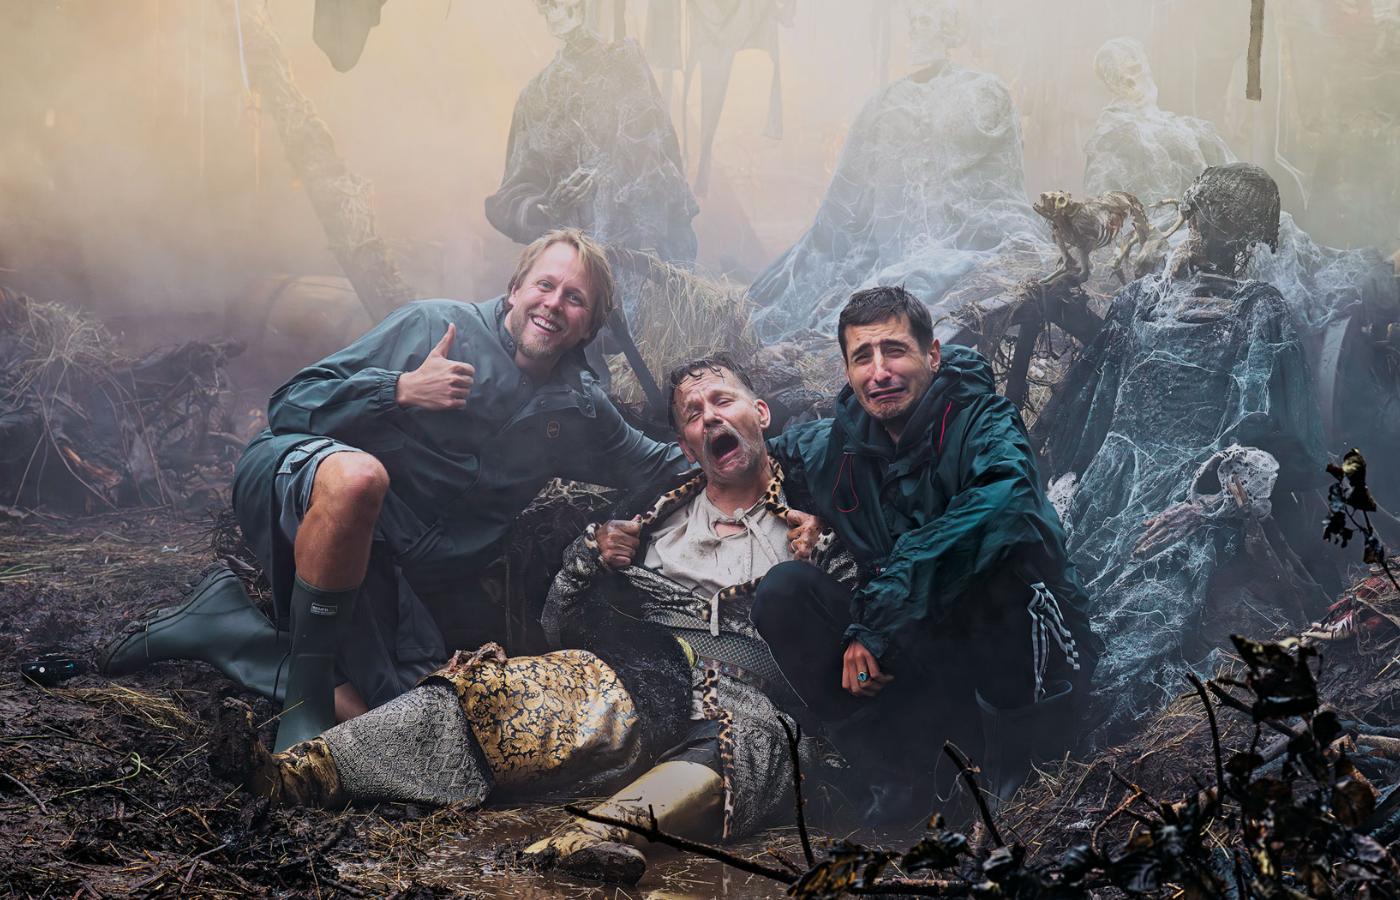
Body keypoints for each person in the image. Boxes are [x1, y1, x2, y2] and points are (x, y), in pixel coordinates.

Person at [208, 356, 839, 886]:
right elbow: (558, 625)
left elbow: (857, 640)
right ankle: (296, 774)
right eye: (694, 414)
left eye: (723, 401)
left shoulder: (819, 522)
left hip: (758, 702)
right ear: (684, 446)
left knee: (752, 748)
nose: (710, 417)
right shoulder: (652, 521)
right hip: (651, 675)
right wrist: (590, 557)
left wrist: (822, 564)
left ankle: (579, 846)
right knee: (498, 692)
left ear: (760, 414)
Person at [101, 228, 687, 751]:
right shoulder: (434, 326)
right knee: (361, 479)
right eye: (545, 285)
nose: (554, 304)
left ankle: (225, 626)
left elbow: (659, 462)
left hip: (396, 567)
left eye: (575, 298)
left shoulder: (581, 410)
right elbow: (290, 404)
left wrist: (732, 431)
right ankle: (304, 704)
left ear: (590, 326)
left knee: (406, 725)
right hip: (300, 482)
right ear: (515, 289)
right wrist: (399, 389)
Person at [758, 285, 1097, 814]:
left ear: (932, 355)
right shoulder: (834, 448)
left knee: (990, 562)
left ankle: (1015, 781)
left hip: (1031, 665)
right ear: (847, 370)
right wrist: (635, 517)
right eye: (862, 357)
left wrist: (875, 621)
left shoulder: (985, 422)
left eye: (894, 350)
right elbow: (747, 462)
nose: (879, 372)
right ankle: (896, 777)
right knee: (785, 592)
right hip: (927, 661)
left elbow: (1001, 508)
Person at [1035, 164, 1334, 744]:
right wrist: (1068, 488)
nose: (1201, 235)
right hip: (1117, 481)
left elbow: (1270, 436)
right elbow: (1092, 408)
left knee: (1139, 615)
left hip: (1181, 491)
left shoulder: (1252, 308)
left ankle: (1062, 723)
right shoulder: (1146, 299)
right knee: (1075, 595)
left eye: (1207, 224)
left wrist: (1208, 507)